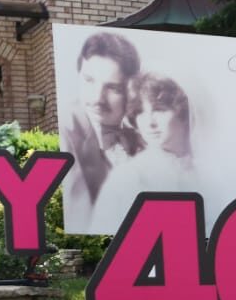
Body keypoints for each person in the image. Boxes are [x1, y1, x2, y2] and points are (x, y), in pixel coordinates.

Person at [89, 73, 195, 232]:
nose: (149, 122)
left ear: (182, 112)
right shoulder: (127, 177)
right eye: (140, 112)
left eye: (159, 109)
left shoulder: (207, 170)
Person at [62, 33, 144, 228]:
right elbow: (78, 222)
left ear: (130, 91)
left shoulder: (143, 138)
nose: (97, 98)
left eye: (113, 88)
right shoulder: (67, 131)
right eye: (89, 81)